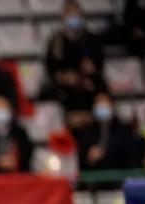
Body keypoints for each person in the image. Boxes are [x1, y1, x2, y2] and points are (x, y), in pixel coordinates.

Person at [43, 1, 106, 132]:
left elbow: (99, 62)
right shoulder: (57, 40)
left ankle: (93, 123)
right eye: (70, 14)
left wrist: (92, 68)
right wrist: (62, 76)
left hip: (87, 82)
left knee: (98, 89)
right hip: (65, 86)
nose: (73, 18)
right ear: (63, 17)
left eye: (76, 14)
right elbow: (51, 65)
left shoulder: (91, 39)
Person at [77, 92, 145, 172]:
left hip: (121, 178)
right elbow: (80, 164)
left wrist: (107, 156)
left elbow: (133, 158)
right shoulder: (87, 133)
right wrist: (88, 158)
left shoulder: (125, 130)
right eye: (98, 102)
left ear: (112, 105)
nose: (101, 105)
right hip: (96, 181)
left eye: (104, 102)